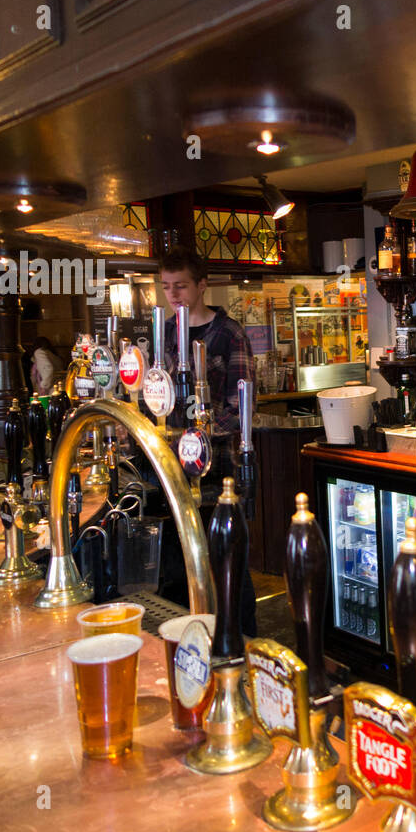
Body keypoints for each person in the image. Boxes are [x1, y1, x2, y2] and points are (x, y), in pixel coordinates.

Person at [156, 246, 258, 634]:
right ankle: (189, 641)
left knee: (229, 566)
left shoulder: (228, 334)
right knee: (179, 566)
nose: (173, 295)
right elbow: (158, 397)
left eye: (180, 286)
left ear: (202, 285)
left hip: (224, 471)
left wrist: (198, 435)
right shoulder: (165, 332)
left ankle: (243, 645)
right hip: (177, 473)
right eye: (166, 287)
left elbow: (240, 405)